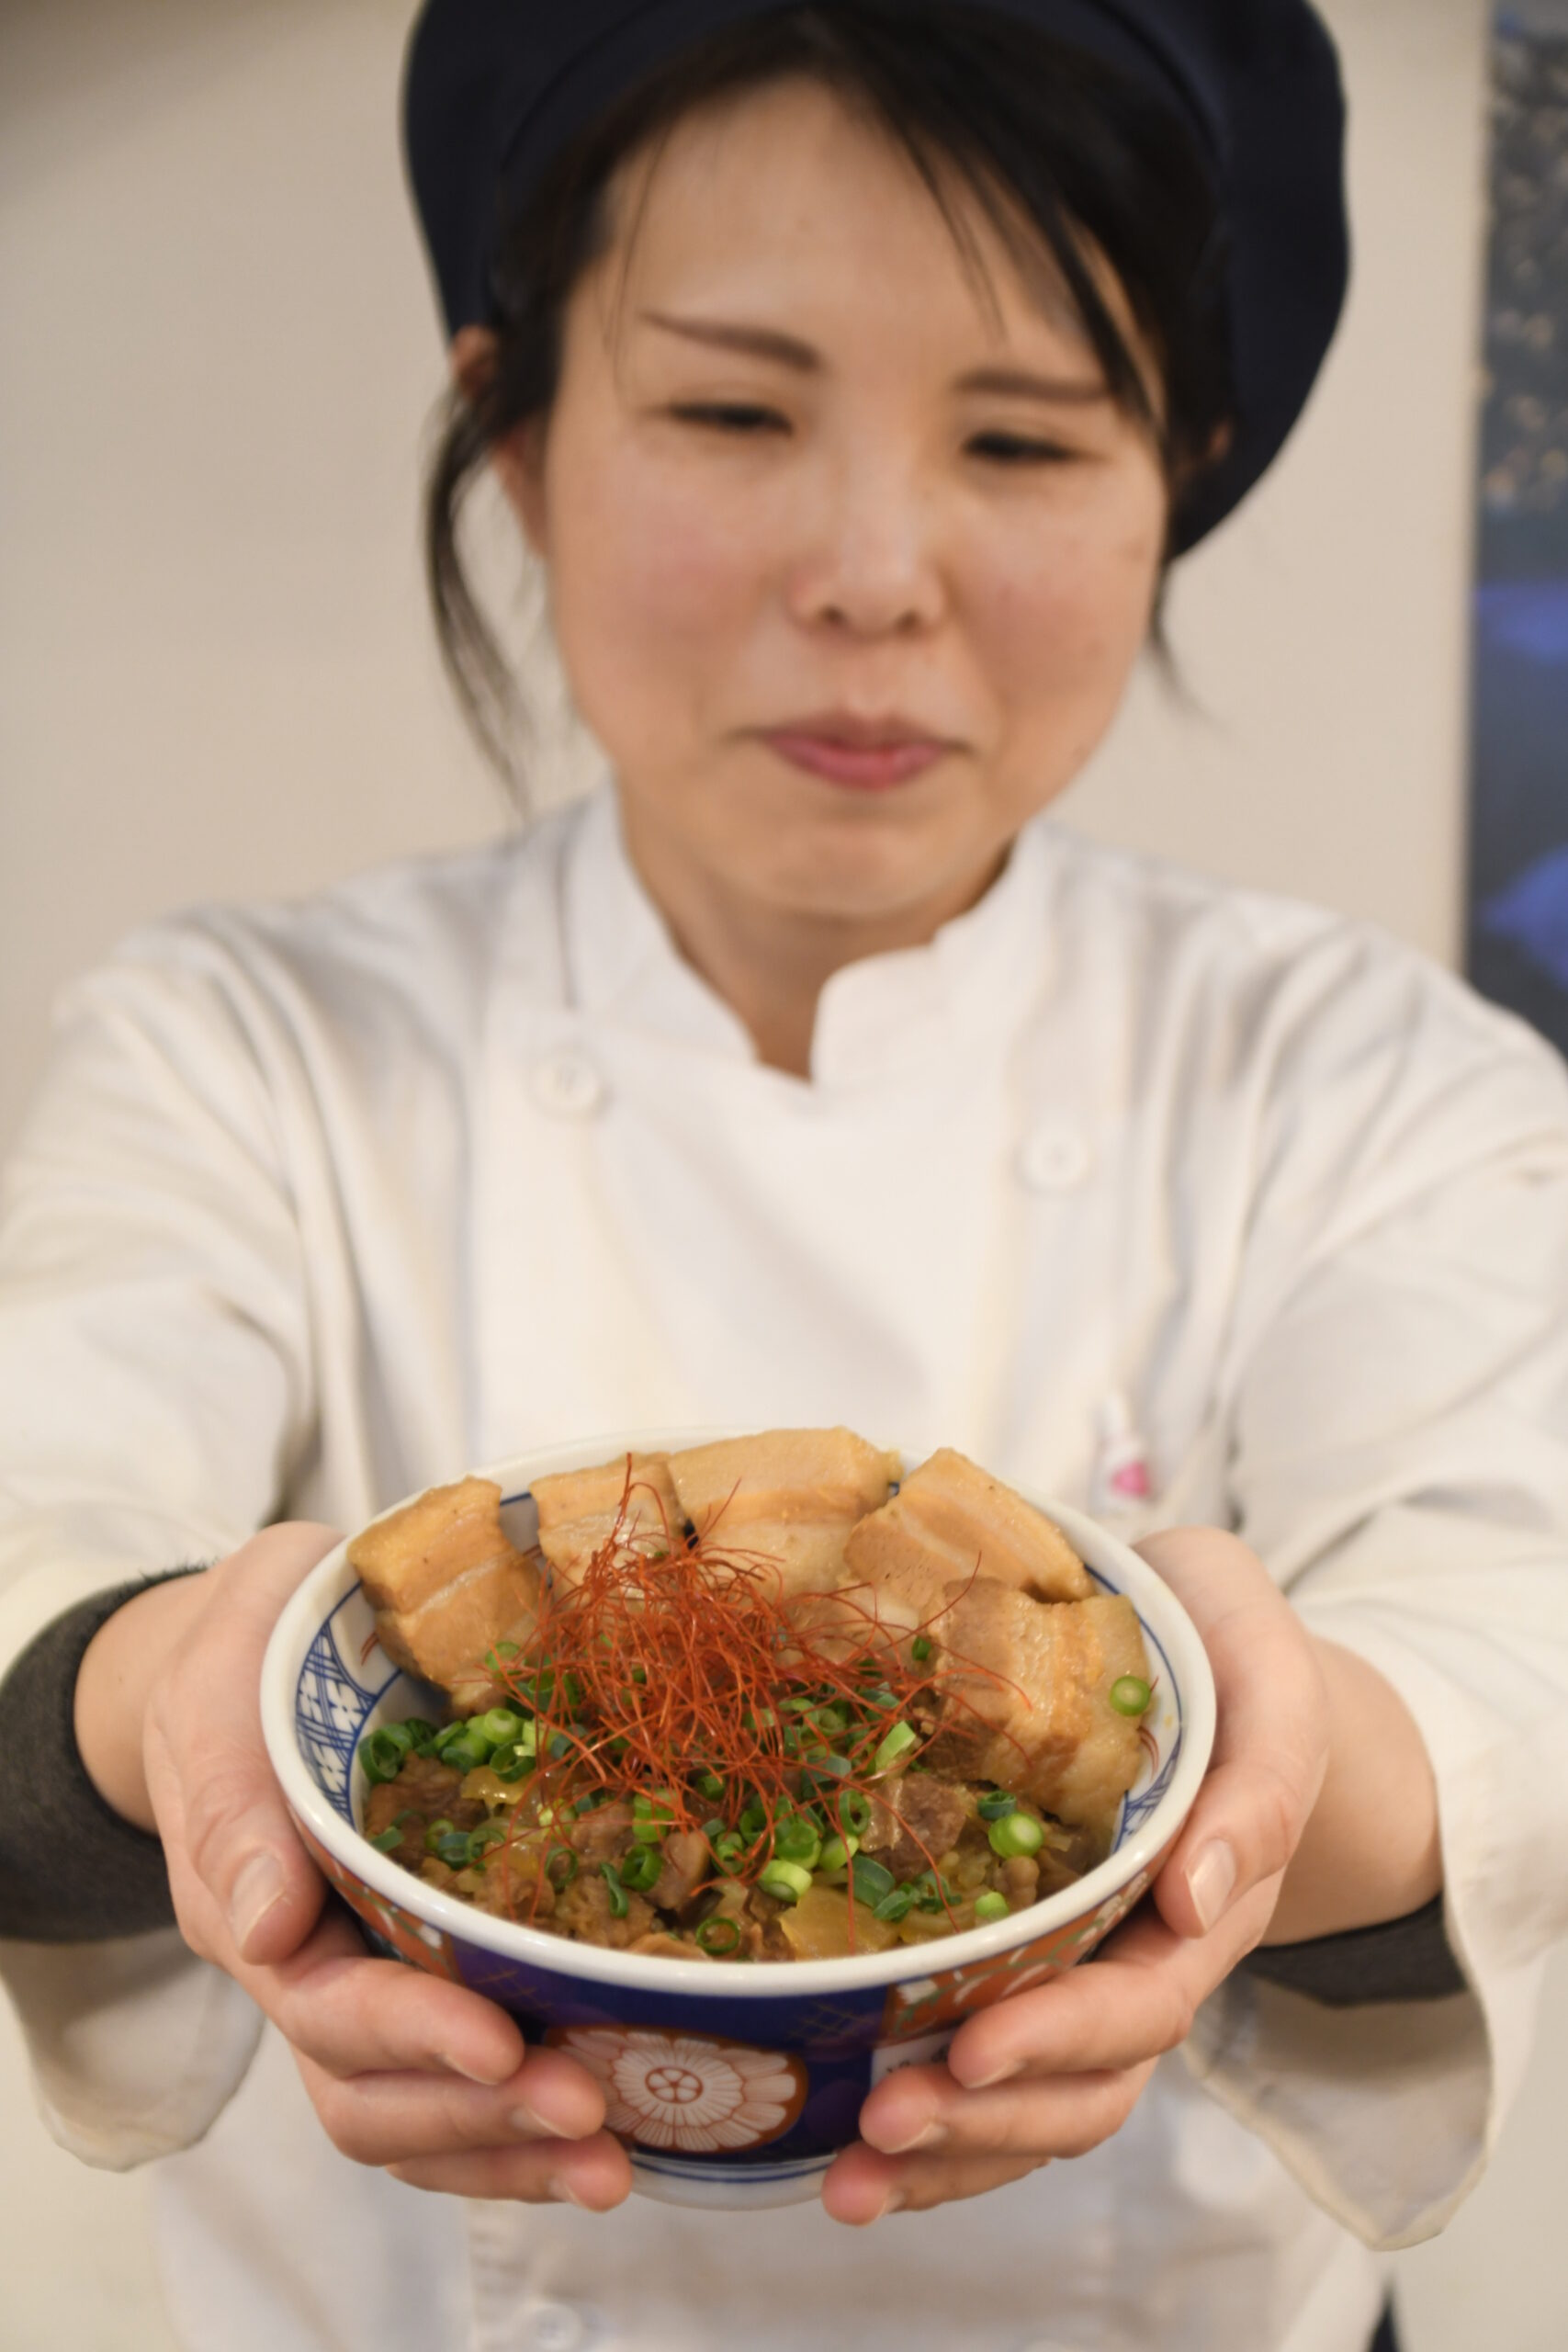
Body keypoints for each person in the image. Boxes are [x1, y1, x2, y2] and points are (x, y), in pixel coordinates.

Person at [2, 3, 1566, 2348]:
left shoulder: (1361, 1077)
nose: (868, 570)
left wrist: (1276, 1771)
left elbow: (1508, 1642)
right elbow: (37, 1507)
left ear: (1181, 470)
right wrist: (171, 1702)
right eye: (734, 408)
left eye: (1023, 437)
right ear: (512, 432)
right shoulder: (241, 1042)